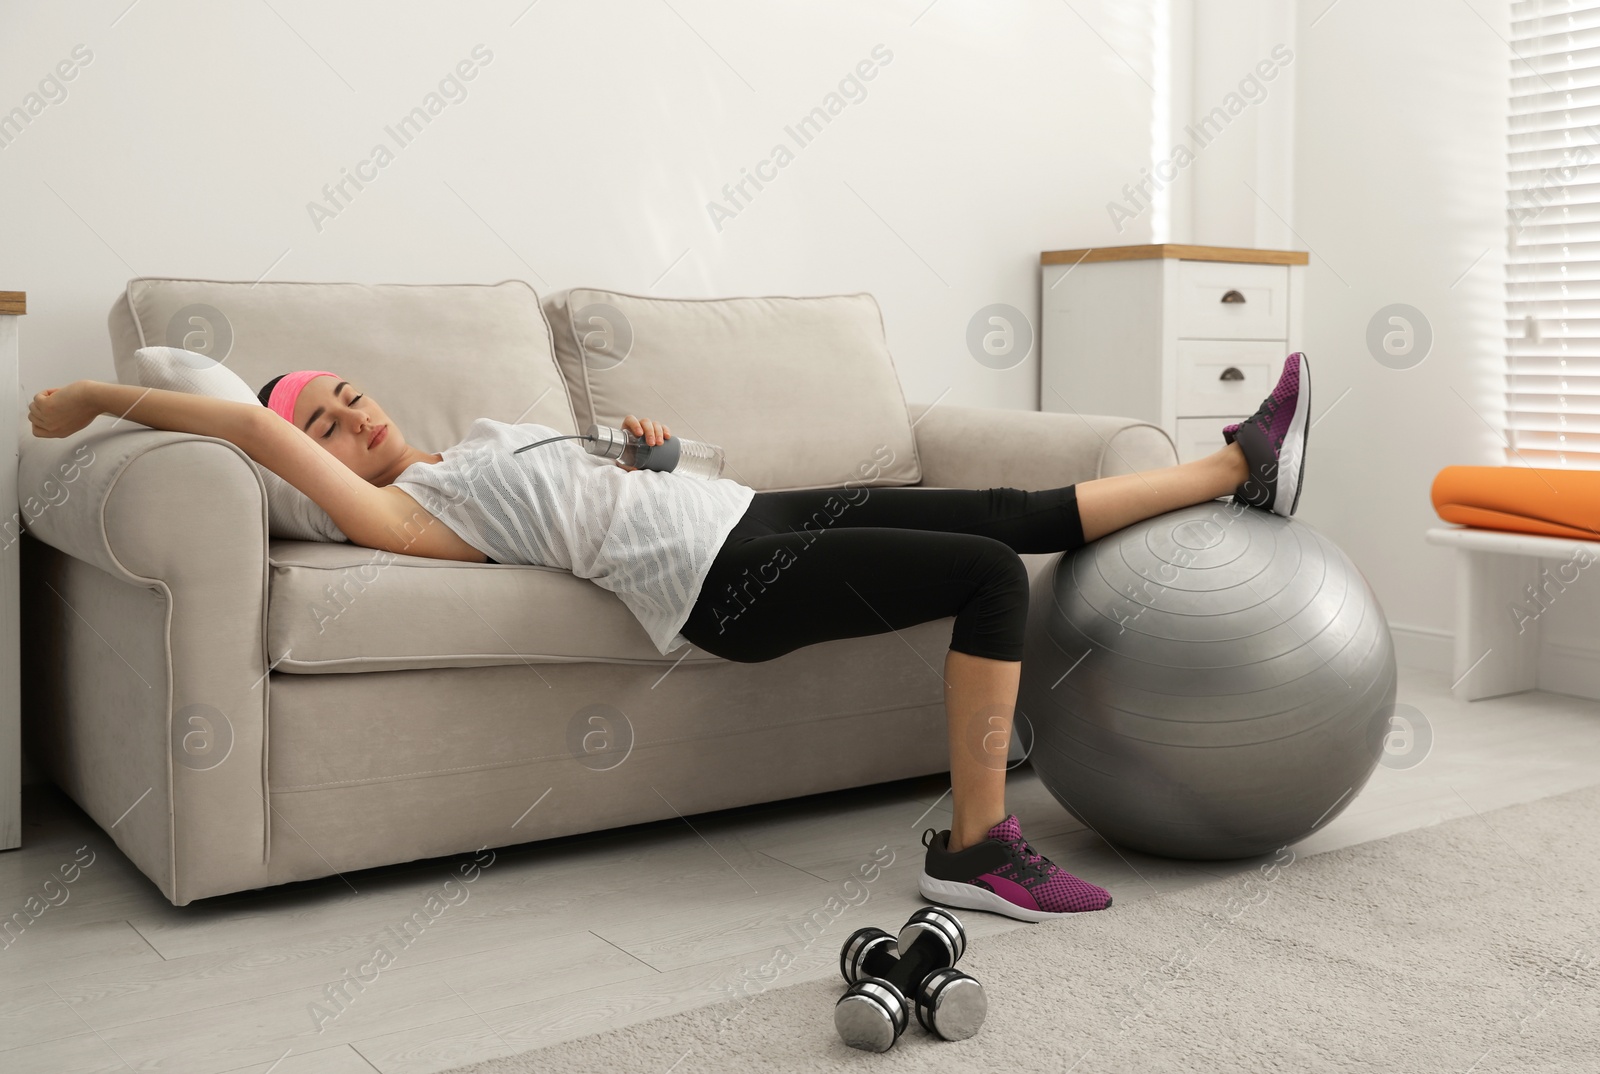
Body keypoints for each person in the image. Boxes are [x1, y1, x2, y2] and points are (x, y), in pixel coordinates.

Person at [28, 353, 1311, 924]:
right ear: (317, 458)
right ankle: (976, 846)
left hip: (737, 509)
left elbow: (645, 473)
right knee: (988, 578)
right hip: (720, 580)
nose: (352, 419)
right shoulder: (400, 513)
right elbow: (247, 434)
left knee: (991, 510)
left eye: (352, 397)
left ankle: (1231, 467)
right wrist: (92, 395)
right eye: (327, 421)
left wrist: (649, 449)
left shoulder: (478, 440)